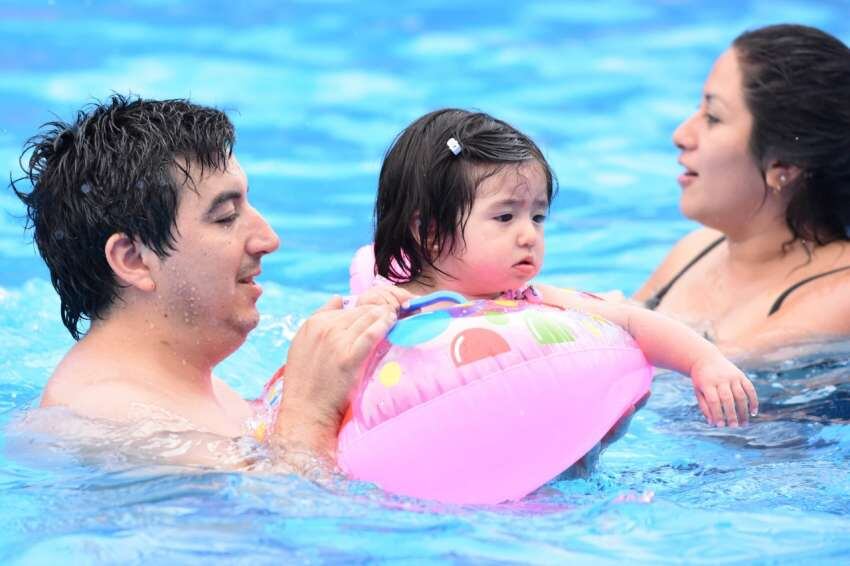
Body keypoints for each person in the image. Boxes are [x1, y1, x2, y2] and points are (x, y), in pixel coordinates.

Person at [11, 94, 398, 469]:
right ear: (133, 259)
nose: (268, 239)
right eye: (226, 216)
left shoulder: (186, 387)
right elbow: (290, 518)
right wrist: (309, 412)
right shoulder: (107, 420)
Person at [360, 108, 758, 427]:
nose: (529, 235)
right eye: (504, 218)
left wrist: (703, 361)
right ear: (429, 232)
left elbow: (631, 321)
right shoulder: (390, 309)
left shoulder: (529, 303)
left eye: (537, 217)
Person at [634, 24, 850, 354]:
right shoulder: (695, 250)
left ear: (783, 167)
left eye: (713, 117)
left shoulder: (839, 293)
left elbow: (698, 376)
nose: (681, 134)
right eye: (698, 110)